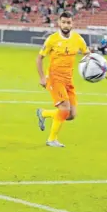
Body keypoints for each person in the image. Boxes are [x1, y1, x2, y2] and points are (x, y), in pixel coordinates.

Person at [36, 11, 90, 148]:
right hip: (55, 78)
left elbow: (87, 55)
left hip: (69, 79)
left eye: (69, 22)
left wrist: (97, 68)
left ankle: (43, 113)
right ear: (59, 23)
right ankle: (51, 139)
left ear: (72, 23)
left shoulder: (78, 39)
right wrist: (42, 77)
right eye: (64, 22)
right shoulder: (52, 39)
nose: (66, 25)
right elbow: (39, 58)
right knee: (64, 108)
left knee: (71, 115)